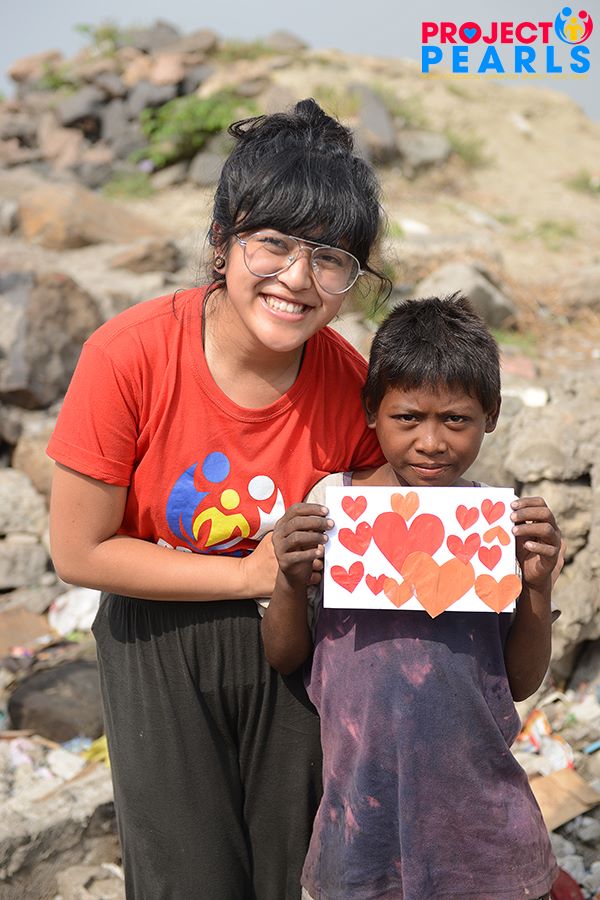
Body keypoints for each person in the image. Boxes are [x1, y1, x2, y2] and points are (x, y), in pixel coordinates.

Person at [46, 99, 390, 900]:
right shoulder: (129, 355)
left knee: (295, 871)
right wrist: (244, 574)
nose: (297, 278)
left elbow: (384, 519)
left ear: (352, 279)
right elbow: (78, 551)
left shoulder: (351, 384)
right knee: (185, 878)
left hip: (294, 643)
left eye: (330, 257)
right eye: (272, 243)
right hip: (156, 638)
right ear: (221, 242)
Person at [262, 295, 561, 900]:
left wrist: (538, 584)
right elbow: (284, 656)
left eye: (456, 420)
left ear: (491, 416)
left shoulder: (495, 528)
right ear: (371, 411)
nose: (431, 442)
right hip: (360, 817)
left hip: (480, 823)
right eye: (407, 417)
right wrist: (289, 580)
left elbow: (520, 681)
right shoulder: (331, 510)